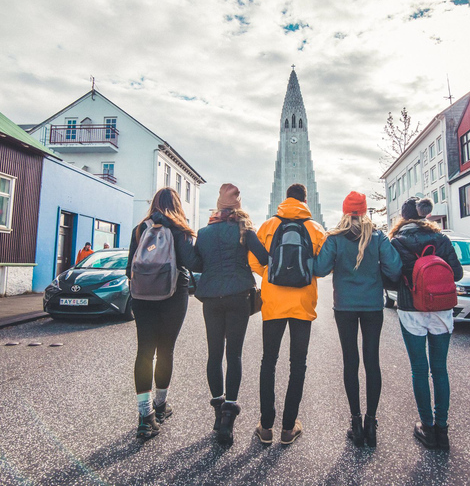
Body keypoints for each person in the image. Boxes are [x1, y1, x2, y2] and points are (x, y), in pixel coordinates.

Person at [313, 192, 401, 447]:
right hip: (372, 305)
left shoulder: (335, 239)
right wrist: (376, 273)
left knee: (350, 361)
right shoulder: (378, 236)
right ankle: (371, 423)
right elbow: (394, 268)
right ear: (363, 211)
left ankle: (355, 422)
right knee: (372, 361)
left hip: (345, 307)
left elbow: (319, 269)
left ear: (345, 212)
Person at [249, 183, 326, 445]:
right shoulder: (315, 229)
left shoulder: (269, 225)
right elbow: (323, 266)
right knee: (298, 364)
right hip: (303, 305)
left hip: (273, 304)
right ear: (305, 201)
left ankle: (266, 426)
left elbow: (253, 260)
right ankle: (288, 427)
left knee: (268, 362)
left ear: (285, 199)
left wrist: (271, 277)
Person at [192, 184, 269, 444]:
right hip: (239, 295)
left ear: (218, 205)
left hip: (211, 297)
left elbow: (196, 263)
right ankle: (229, 417)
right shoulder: (244, 230)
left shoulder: (203, 232)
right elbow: (264, 257)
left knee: (214, 354)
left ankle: (217, 412)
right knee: (233, 354)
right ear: (237, 206)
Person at [389, 197, 463, 451]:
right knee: (439, 369)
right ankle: (442, 430)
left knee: (419, 369)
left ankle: (427, 427)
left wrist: (408, 282)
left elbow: (390, 278)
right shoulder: (441, 239)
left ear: (404, 217)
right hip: (442, 309)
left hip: (412, 310)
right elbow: (458, 273)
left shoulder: (397, 241)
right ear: (423, 216)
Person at [125, 187, 197, 439]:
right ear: (177, 205)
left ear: (154, 204)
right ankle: (161, 406)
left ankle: (145, 418)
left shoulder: (140, 229)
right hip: (173, 296)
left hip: (142, 296)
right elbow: (193, 263)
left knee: (144, 351)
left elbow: (128, 268)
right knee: (165, 350)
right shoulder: (180, 229)